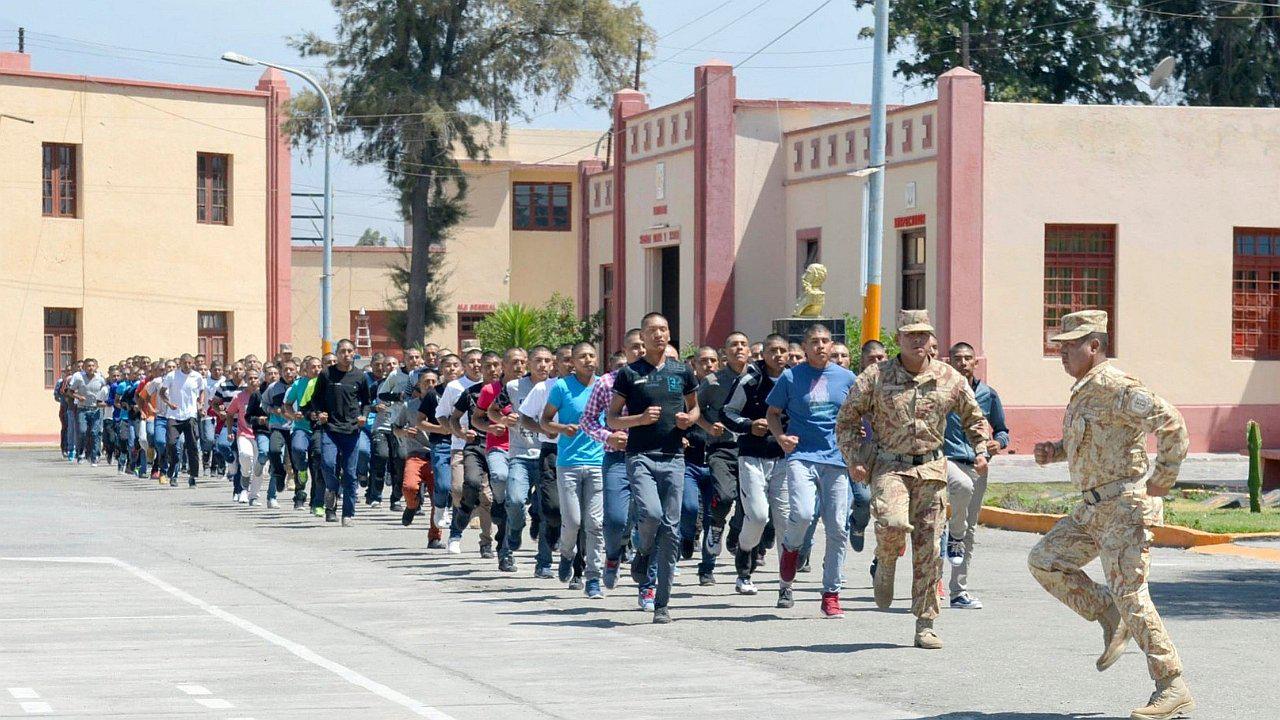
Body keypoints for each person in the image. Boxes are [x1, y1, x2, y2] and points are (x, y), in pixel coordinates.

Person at [1029, 310, 1192, 720]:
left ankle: (1172, 686)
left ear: (1095, 346)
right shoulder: (1084, 390)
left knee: (1132, 593)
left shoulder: (1116, 385)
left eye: (1070, 347)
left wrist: (1161, 481)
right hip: (1093, 509)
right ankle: (1106, 612)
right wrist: (1056, 450)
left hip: (1124, 507)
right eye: (1060, 347)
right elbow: (1095, 440)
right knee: (1046, 560)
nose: (1063, 354)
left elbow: (1173, 425)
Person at [835, 310, 990, 649]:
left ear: (932, 338)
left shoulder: (948, 378)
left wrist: (981, 449)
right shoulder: (875, 376)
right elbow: (846, 421)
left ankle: (925, 623)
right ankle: (886, 561)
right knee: (891, 523)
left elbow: (974, 417)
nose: (918, 341)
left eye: (924, 334)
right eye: (911, 335)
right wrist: (854, 458)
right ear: (899, 338)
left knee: (930, 548)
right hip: (890, 466)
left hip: (932, 470)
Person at [608, 312, 701, 624]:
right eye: (652, 330)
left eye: (663, 329)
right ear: (642, 338)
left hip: (674, 456)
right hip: (641, 455)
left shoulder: (682, 371)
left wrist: (690, 419)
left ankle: (662, 604)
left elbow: (694, 407)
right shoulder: (629, 374)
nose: (659, 335)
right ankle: (643, 552)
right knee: (651, 514)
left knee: (672, 530)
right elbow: (612, 419)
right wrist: (640, 419)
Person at [766, 324, 856, 617]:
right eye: (814, 341)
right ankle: (791, 549)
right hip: (802, 456)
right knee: (803, 514)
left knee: (838, 529)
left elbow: (861, 415)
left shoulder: (846, 378)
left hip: (836, 460)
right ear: (804, 347)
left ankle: (831, 593)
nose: (820, 346)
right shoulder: (791, 377)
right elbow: (773, 413)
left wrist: (861, 446)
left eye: (825, 341)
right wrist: (780, 437)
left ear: (832, 345)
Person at [943, 341, 1011, 610]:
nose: (962, 363)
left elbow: (1003, 430)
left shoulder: (988, 395)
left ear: (975, 363)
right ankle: (928, 583)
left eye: (967, 358)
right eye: (957, 358)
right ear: (950, 362)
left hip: (978, 464)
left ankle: (958, 591)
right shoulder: (942, 392)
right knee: (940, 520)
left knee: (968, 530)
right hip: (946, 461)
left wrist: (999, 444)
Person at [721, 333, 790, 596]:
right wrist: (750, 426)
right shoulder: (750, 379)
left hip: (784, 459)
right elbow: (727, 412)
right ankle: (744, 560)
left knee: (785, 520)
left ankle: (786, 584)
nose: (779, 355)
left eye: (783, 350)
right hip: (751, 457)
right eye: (773, 350)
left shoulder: (794, 380)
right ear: (764, 354)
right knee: (759, 515)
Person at [580, 333, 647, 593]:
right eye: (634, 347)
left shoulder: (659, 380)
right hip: (617, 458)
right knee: (616, 519)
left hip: (650, 457)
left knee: (648, 518)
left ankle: (645, 577)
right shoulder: (607, 383)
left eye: (643, 346)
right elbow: (588, 420)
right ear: (625, 350)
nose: (640, 350)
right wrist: (608, 436)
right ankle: (613, 554)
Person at [541, 342, 606, 598]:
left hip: (598, 462)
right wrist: (561, 429)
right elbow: (544, 421)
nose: (588, 360)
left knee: (595, 524)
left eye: (592, 355)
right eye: (582, 356)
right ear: (573, 362)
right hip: (568, 463)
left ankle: (593, 577)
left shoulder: (604, 386)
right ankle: (567, 555)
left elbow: (611, 417)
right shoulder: (561, 386)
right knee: (573, 522)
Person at [694, 332, 751, 585]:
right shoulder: (712, 381)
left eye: (743, 344)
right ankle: (714, 536)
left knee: (749, 507)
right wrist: (707, 427)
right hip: (721, 449)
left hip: (750, 449)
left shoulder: (755, 379)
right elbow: (693, 409)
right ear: (724, 353)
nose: (739, 348)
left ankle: (734, 536)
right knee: (725, 496)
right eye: (733, 345)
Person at [489, 346, 552, 573]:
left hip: (548, 456)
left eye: (547, 361)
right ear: (528, 364)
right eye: (538, 360)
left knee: (547, 511)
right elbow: (492, 411)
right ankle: (515, 529)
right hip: (520, 455)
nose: (542, 365)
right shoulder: (514, 387)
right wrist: (503, 420)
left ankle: (544, 562)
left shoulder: (557, 387)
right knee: (514, 501)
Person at [304, 339, 372, 526]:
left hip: (351, 430)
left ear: (354, 353)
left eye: (350, 351)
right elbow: (316, 399)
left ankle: (348, 514)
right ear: (337, 353)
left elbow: (367, 402)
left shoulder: (359, 376)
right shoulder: (327, 374)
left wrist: (363, 416)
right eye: (342, 351)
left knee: (350, 474)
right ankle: (331, 493)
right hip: (331, 429)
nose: (346, 355)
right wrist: (320, 413)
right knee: (327, 464)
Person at [475, 348, 527, 570]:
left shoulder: (533, 388)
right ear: (503, 366)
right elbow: (477, 419)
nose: (519, 367)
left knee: (514, 504)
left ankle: (506, 551)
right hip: (498, 446)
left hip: (525, 451)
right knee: (499, 476)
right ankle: (498, 501)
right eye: (514, 362)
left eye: (523, 362)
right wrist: (492, 426)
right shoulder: (490, 390)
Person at [447, 351, 501, 558]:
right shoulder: (471, 393)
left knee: (487, 497)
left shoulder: (509, 392)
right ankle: (464, 511)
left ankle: (486, 542)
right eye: (488, 366)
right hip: (475, 447)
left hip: (500, 449)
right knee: (465, 485)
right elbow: (453, 418)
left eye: (496, 365)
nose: (492, 370)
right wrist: (461, 432)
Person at [396, 368, 447, 549]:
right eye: (426, 382)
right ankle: (412, 505)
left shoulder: (444, 404)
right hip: (416, 455)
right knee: (409, 486)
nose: (430, 385)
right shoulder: (409, 406)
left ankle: (434, 537)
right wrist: (403, 432)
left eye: (434, 381)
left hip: (437, 455)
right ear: (419, 385)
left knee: (438, 496)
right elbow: (396, 427)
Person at [159, 353, 205, 487]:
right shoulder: (172, 376)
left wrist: (200, 403)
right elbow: (162, 392)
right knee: (172, 443)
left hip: (190, 414)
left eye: (190, 363)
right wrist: (169, 403)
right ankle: (173, 466)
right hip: (174, 414)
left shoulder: (197, 376)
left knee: (192, 446)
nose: (187, 365)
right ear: (181, 363)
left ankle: (193, 476)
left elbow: (202, 391)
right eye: (185, 363)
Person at [67, 358, 108, 466]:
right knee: (82, 431)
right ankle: (80, 453)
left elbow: (106, 391)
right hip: (83, 409)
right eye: (88, 366)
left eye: (92, 366)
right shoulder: (79, 379)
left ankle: (95, 456)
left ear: (96, 367)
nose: (90, 368)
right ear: (84, 368)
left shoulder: (100, 379)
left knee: (95, 433)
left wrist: (103, 401)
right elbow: (70, 392)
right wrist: (78, 396)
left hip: (96, 409)